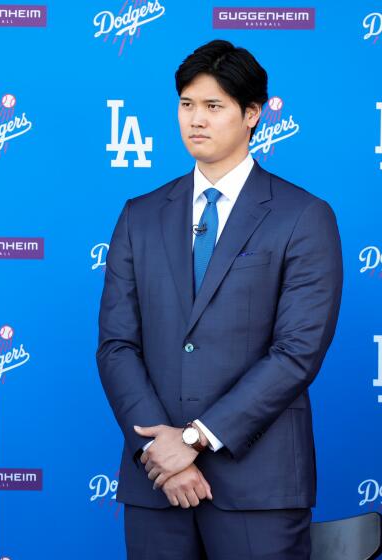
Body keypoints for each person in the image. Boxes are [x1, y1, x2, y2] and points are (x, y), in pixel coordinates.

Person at [96, 40, 342, 559]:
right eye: (187, 105)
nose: (196, 120)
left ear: (252, 115)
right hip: (156, 485)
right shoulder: (139, 216)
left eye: (214, 107)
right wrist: (156, 448)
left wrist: (191, 442)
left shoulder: (302, 216)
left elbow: (296, 353)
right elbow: (117, 345)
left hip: (258, 489)